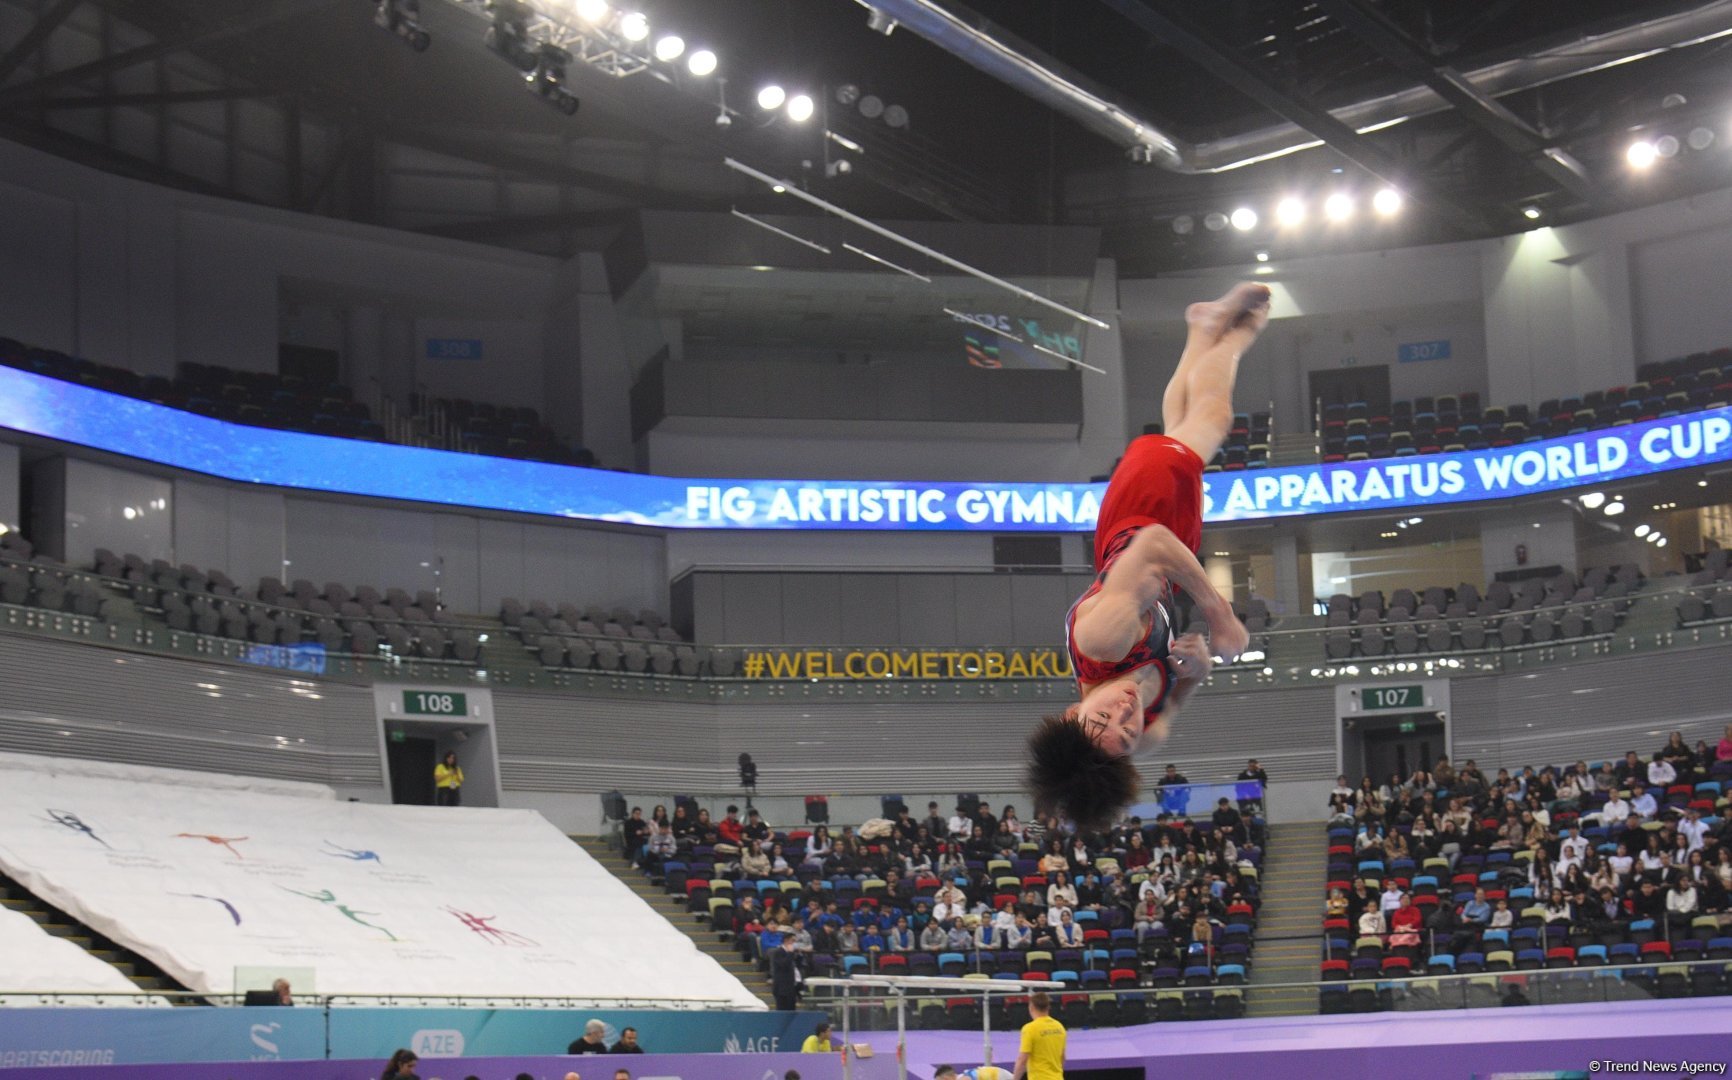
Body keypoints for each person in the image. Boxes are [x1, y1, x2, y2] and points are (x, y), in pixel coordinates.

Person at [1025, 283, 1268, 830]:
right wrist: (1198, 670)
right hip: (1168, 550)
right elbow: (1183, 685)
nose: (1127, 713)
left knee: (1212, 418)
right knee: (1183, 423)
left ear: (1072, 714)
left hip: (1140, 515)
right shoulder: (1149, 734)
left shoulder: (1102, 640)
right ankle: (1202, 326)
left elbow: (1155, 539)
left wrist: (1220, 615)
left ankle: (1236, 334)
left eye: (1102, 717)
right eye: (1127, 730)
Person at [1015, 990, 1066, 1080]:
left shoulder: (1030, 1029)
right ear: (1048, 1007)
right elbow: (1062, 1057)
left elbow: (1022, 1060)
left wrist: (1015, 1078)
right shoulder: (1059, 1027)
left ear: (1031, 1007)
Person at [769, 935, 803, 1011]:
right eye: (792, 941)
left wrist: (798, 955)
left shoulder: (792, 953)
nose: (794, 943)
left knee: (791, 1011)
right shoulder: (778, 952)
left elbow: (797, 966)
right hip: (782, 988)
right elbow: (784, 965)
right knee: (782, 1011)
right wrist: (790, 953)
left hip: (791, 987)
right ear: (786, 941)